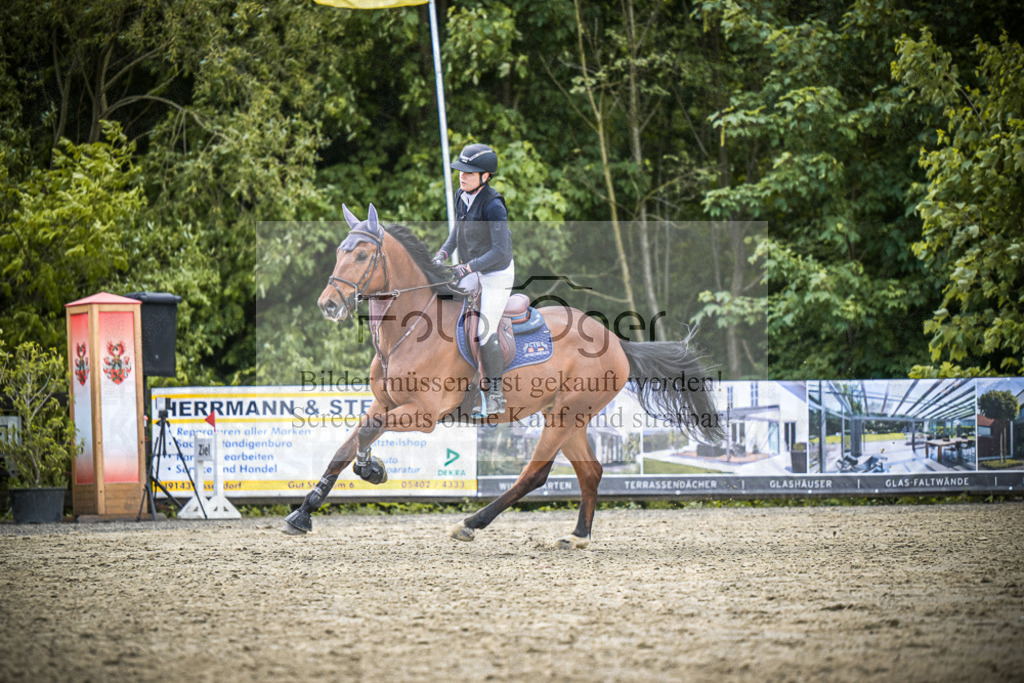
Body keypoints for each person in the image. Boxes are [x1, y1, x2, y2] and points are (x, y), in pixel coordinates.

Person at [433, 143, 514, 416]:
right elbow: (458, 231)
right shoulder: (461, 195)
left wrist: (467, 268)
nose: (462, 176)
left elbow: (500, 252)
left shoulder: (493, 205)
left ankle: (495, 394)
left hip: (496, 274)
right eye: (461, 171)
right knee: (441, 301)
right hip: (472, 269)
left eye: (469, 173)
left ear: (486, 176)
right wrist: (442, 254)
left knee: (484, 329)